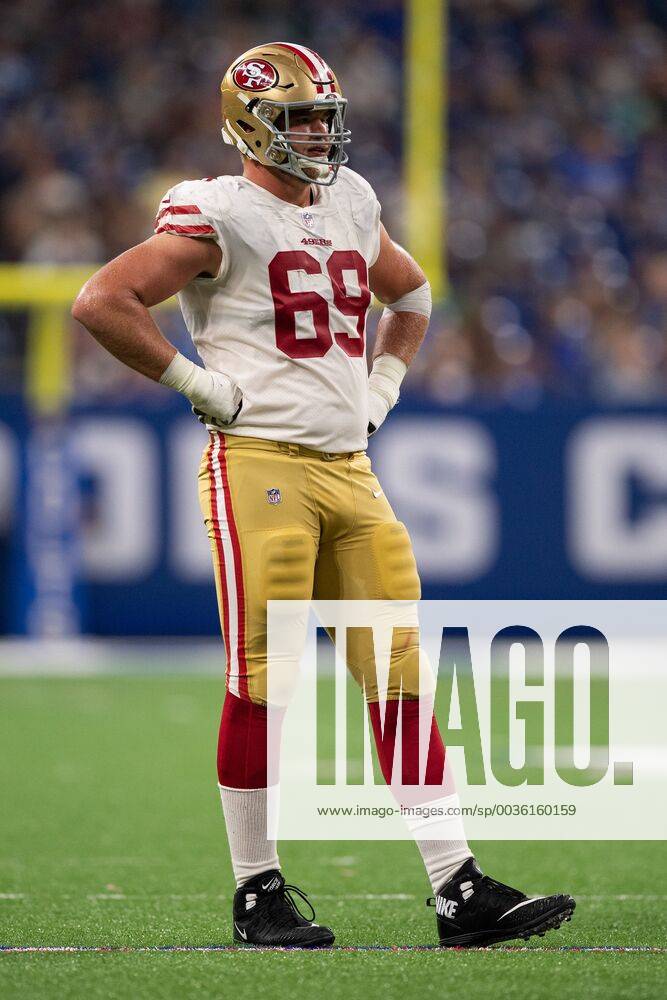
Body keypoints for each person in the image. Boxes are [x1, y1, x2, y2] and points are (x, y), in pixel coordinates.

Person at [72, 42, 575, 948]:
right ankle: (255, 891)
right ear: (250, 122)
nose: (317, 131)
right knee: (264, 680)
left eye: (321, 115)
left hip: (349, 467)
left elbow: (412, 292)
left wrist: (383, 386)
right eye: (299, 116)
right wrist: (197, 384)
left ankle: (456, 887)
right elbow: (103, 300)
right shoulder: (214, 211)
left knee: (400, 682)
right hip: (259, 463)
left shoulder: (350, 199)